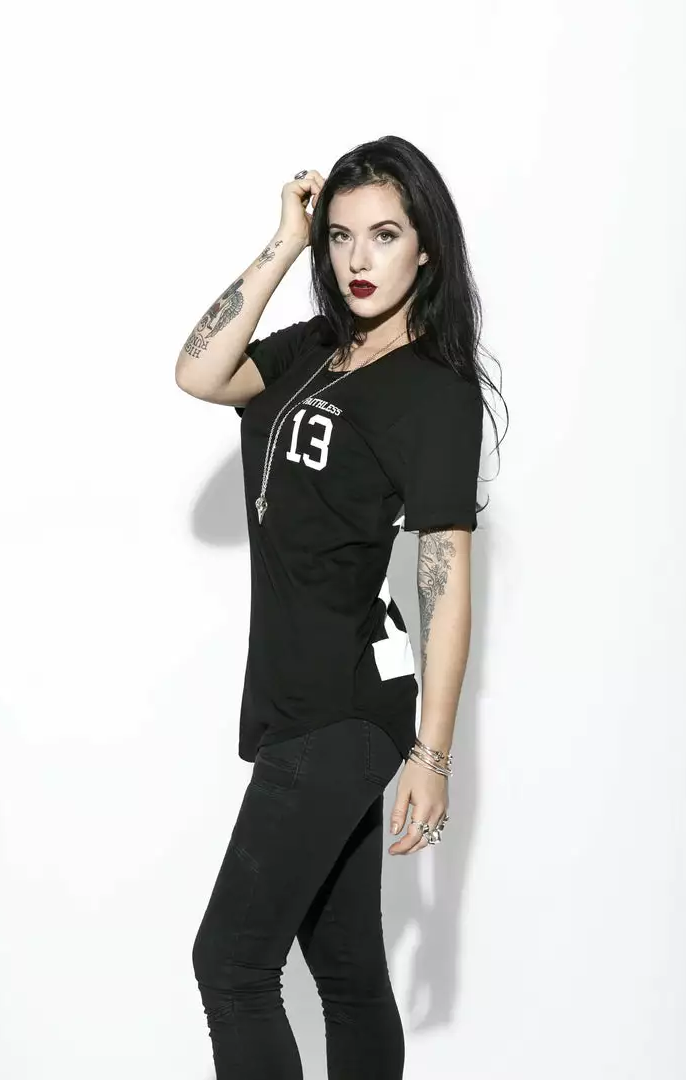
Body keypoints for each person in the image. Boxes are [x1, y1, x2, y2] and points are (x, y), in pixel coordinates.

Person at [175, 135, 506, 1080]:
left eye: (385, 235)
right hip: (294, 698)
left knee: (232, 964)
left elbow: (445, 577)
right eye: (342, 236)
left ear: (425, 248)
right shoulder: (318, 348)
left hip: (346, 709)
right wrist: (285, 242)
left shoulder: (436, 393)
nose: (360, 259)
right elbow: (200, 373)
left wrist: (433, 756)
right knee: (349, 967)